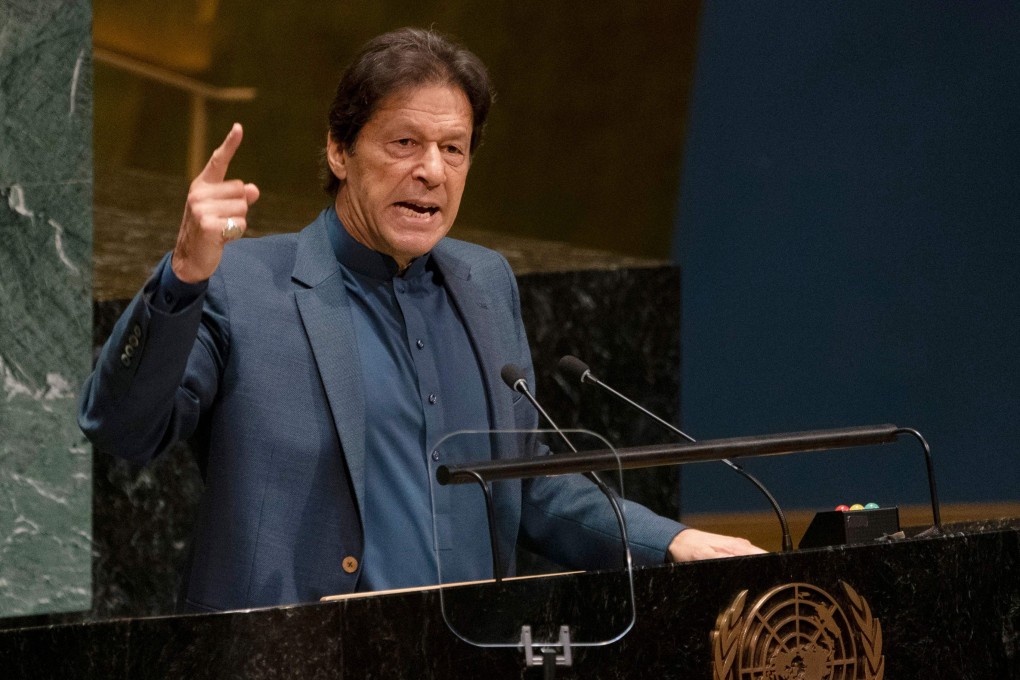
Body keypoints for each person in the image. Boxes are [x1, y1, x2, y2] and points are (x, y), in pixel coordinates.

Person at [79, 27, 762, 613]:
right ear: (339, 151)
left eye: (453, 149)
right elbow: (122, 429)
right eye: (404, 142)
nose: (432, 170)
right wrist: (182, 276)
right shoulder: (244, 283)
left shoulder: (485, 282)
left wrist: (670, 540)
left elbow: (525, 479)